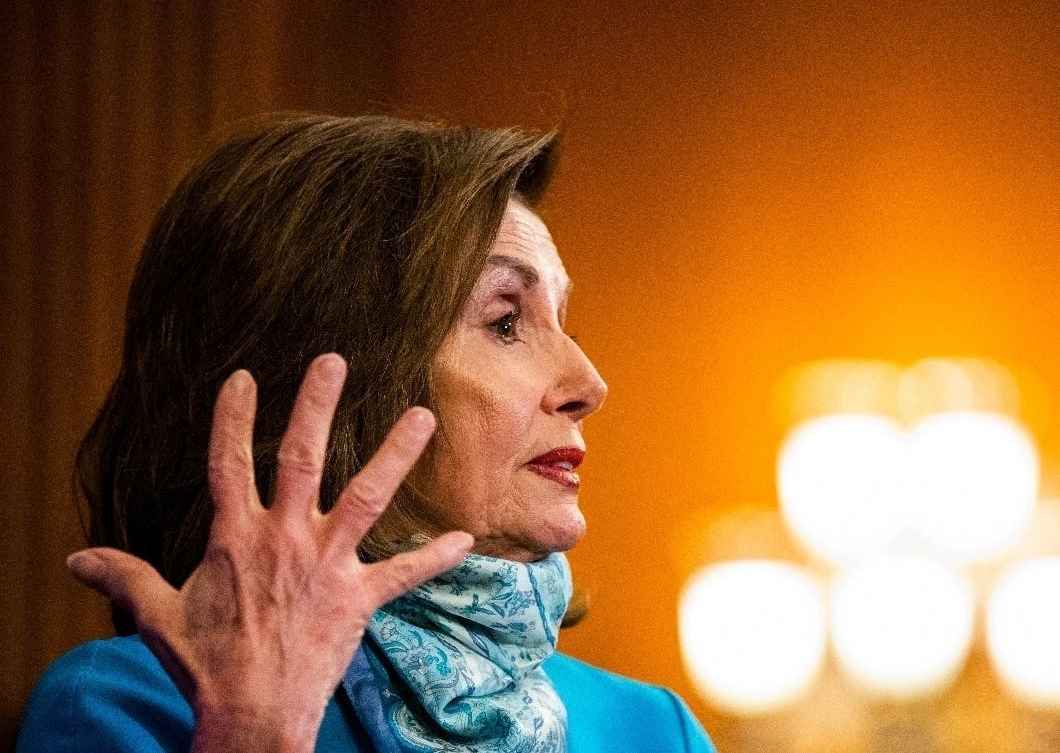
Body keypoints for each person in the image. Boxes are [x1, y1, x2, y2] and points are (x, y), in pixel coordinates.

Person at [17, 115, 715, 752]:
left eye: (566, 321)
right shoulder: (126, 709)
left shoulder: (652, 729)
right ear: (346, 375)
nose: (588, 384)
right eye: (506, 322)